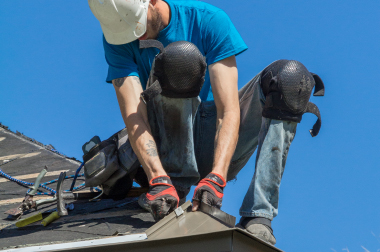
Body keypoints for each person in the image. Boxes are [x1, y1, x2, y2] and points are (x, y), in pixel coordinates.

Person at [88, 0, 324, 245]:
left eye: (138, 25)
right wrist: (157, 176)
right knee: (179, 58)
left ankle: (259, 215)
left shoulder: (209, 21)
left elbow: (228, 109)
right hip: (166, 146)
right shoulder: (117, 40)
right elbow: (134, 116)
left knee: (290, 79)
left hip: (218, 140)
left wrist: (217, 177)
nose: (138, 36)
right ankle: (173, 186)